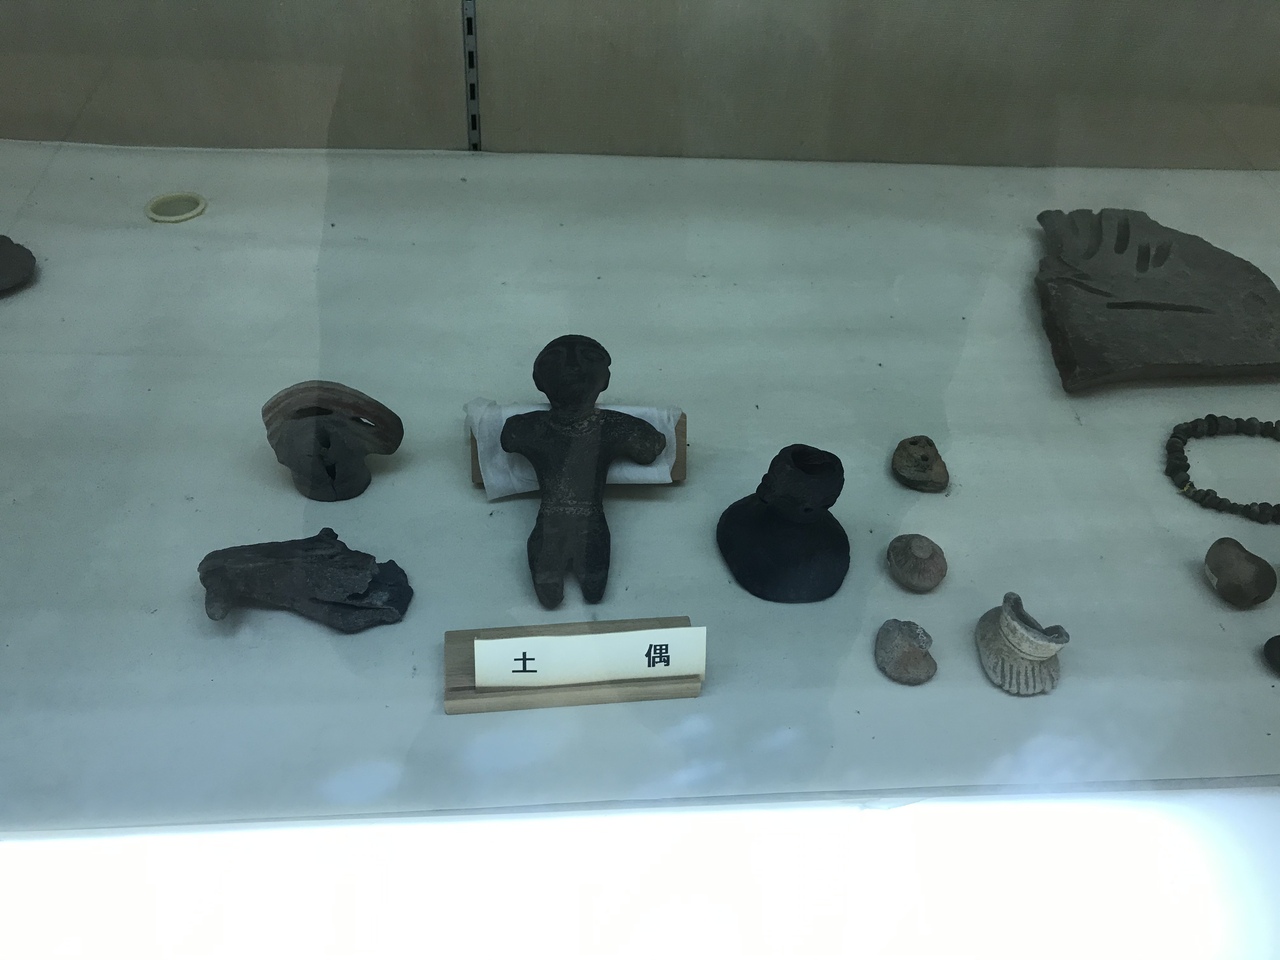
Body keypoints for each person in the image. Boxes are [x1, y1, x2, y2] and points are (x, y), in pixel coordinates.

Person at [501, 335, 666, 608]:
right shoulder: (524, 429)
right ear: (538, 380)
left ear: (606, 379)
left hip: (588, 530)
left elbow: (649, 447)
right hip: (553, 530)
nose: (572, 366)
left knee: (591, 591)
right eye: (556, 359)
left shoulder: (616, 427)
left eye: (589, 358)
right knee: (561, 592)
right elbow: (650, 448)